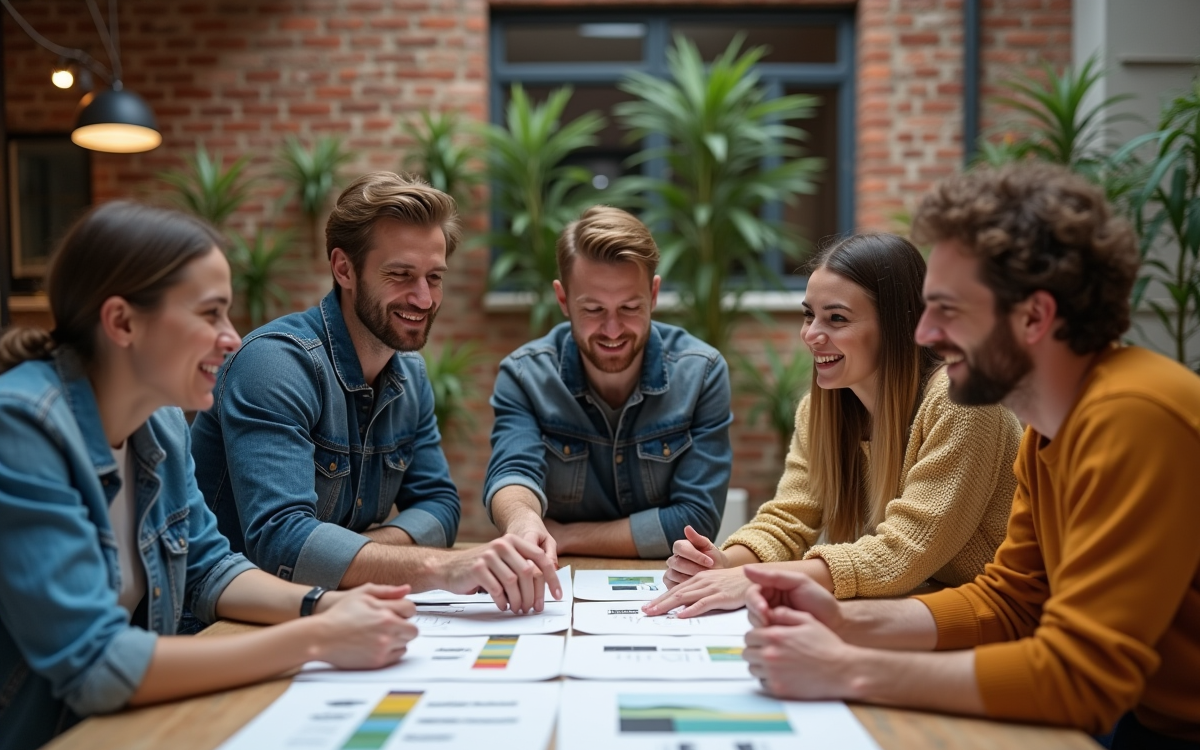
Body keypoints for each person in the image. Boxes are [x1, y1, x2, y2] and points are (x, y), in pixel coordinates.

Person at [741, 164, 1200, 750]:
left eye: (948, 311)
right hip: (1145, 725)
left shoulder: (1134, 415)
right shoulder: (1048, 431)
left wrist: (851, 669)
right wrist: (845, 623)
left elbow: (1081, 679)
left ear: (1035, 317)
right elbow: (1008, 604)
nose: (924, 334)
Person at [0, 202, 419, 750]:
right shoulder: (22, 427)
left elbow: (209, 567)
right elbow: (95, 665)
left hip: (128, 736)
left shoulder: (163, 420)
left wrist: (325, 606)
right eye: (210, 313)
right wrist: (316, 640)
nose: (232, 338)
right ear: (122, 322)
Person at [191, 172, 560, 612]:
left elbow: (440, 506)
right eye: (401, 275)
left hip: (333, 613)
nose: (423, 299)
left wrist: (356, 553)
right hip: (227, 624)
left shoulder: (410, 375)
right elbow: (281, 541)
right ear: (344, 269)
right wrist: (437, 567)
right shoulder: (274, 365)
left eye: (434, 277)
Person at [645, 232, 1022, 617]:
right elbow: (789, 519)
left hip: (1004, 621)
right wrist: (725, 563)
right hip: (926, 610)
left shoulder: (964, 400)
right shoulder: (822, 408)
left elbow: (905, 551)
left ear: (897, 325)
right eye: (810, 314)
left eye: (836, 318)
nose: (811, 335)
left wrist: (758, 578)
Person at [484, 205, 733, 559]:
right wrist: (523, 520)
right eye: (594, 310)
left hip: (663, 586)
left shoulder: (701, 374)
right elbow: (513, 471)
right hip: (556, 579)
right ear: (563, 300)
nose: (613, 330)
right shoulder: (525, 376)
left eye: (630, 308)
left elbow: (696, 520)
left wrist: (565, 536)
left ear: (654, 294)